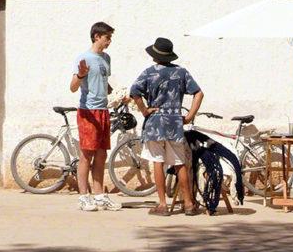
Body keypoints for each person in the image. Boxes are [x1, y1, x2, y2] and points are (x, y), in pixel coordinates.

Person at [129, 37, 205, 216]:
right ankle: (188, 203)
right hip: (174, 123)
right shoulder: (181, 72)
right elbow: (199, 93)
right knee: (180, 163)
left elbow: (134, 92)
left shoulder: (148, 73)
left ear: (154, 55)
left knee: (158, 162)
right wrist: (189, 116)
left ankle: (162, 205)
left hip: (155, 123)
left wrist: (145, 111)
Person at [69, 21, 122, 212]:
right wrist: (81, 74)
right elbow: (73, 87)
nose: (109, 42)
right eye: (107, 37)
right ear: (97, 36)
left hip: (103, 111)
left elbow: (104, 84)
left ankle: (99, 196)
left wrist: (118, 95)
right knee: (86, 155)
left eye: (110, 38)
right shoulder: (83, 58)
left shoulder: (106, 58)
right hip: (88, 112)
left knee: (101, 154)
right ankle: (84, 196)